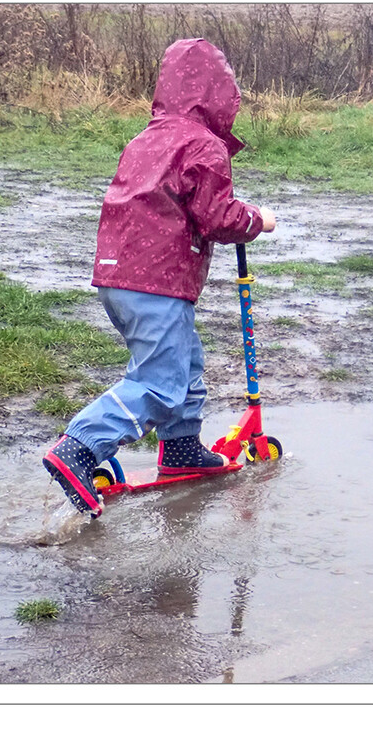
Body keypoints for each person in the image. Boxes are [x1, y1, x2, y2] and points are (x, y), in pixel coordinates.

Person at [43, 38, 276, 517]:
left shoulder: (145, 139)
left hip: (117, 274)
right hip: (158, 281)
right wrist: (256, 219)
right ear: (218, 95)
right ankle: (80, 447)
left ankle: (182, 448)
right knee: (160, 382)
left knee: (184, 362)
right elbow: (217, 217)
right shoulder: (204, 145)